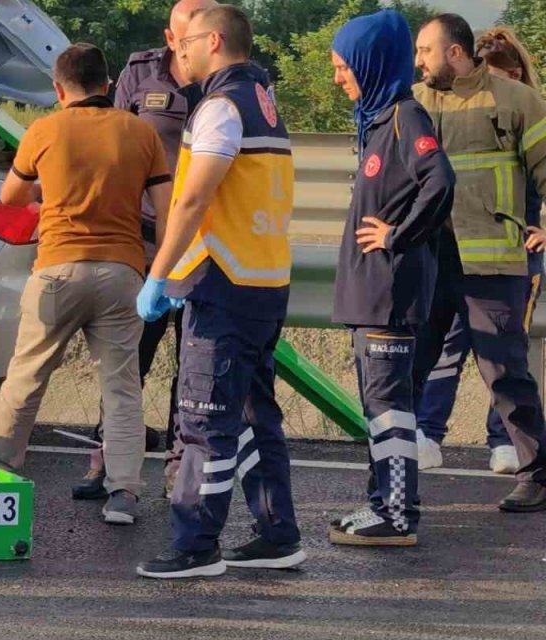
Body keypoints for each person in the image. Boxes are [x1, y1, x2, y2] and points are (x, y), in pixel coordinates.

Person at [134, 5, 304, 578]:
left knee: (203, 419)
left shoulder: (221, 105)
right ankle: (278, 534)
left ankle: (194, 544)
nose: (176, 53)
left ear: (213, 40)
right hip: (264, 280)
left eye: (183, 43)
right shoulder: (264, 100)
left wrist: (160, 271)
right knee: (257, 415)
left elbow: (193, 197)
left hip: (223, 285)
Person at [0, 43, 173, 525]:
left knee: (26, 378)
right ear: (108, 85)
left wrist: (52, 183)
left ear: (57, 89)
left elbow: (11, 196)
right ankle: (124, 493)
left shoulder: (44, 131)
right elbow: (168, 212)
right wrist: (160, 273)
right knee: (122, 387)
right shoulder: (141, 132)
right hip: (122, 273)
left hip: (56, 273)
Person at [72, 0, 219, 503]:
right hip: (147, 237)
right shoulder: (141, 72)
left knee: (193, 362)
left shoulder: (231, 80)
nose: (188, 45)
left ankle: (179, 467)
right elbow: (111, 140)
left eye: (198, 35)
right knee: (130, 356)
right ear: (170, 34)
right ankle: (107, 458)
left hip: (204, 241)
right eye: (182, 36)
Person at [327, 10, 455, 546]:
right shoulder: (379, 120)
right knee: (378, 407)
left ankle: (399, 514)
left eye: (342, 66)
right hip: (369, 295)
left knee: (389, 406)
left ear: (370, 62)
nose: (338, 77)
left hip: (388, 293)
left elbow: (440, 179)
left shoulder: (406, 116)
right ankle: (381, 503)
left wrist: (397, 235)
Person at [413, 13, 546, 512]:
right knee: (408, 371)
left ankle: (537, 474)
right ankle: (393, 479)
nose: (419, 61)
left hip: (492, 264)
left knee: (505, 374)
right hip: (427, 261)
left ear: (454, 52)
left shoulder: (517, 100)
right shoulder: (415, 102)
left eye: (426, 51)